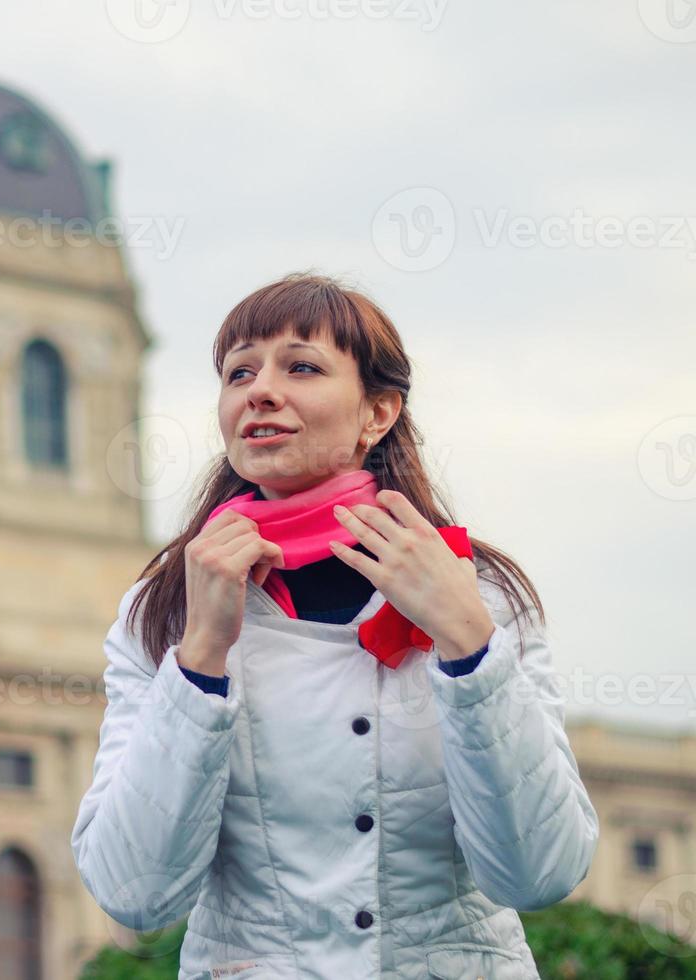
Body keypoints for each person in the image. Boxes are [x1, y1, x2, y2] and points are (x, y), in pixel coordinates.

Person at [70, 272, 598, 979]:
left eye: (302, 367)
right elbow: (134, 894)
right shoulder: (163, 611)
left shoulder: (484, 592)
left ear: (377, 413)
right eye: (240, 372)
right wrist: (199, 660)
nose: (260, 390)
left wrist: (469, 647)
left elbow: (541, 873)